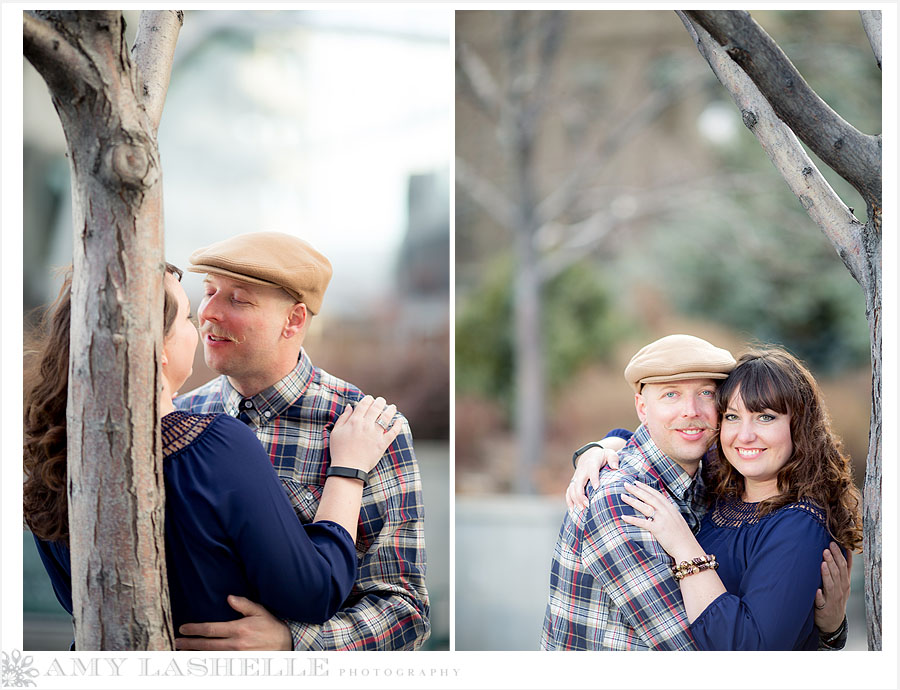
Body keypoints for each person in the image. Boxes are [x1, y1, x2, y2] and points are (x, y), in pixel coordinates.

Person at [25, 265, 402, 642]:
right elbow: (317, 591)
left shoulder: (52, 459)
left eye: (238, 299)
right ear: (156, 350)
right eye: (190, 312)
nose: (204, 316)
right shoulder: (216, 444)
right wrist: (348, 470)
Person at [173, 232, 429, 651]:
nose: (209, 314)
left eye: (238, 299)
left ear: (293, 321)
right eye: (209, 292)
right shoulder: (178, 417)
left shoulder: (370, 429)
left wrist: (292, 644)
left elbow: (405, 612)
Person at [540, 334, 853, 650]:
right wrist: (603, 447)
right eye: (671, 395)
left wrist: (829, 630)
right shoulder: (624, 501)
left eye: (705, 393)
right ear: (642, 407)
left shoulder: (713, 478)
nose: (690, 411)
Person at [619, 347, 862, 650]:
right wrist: (603, 447)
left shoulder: (800, 525)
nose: (744, 436)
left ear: (798, 426)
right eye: (732, 416)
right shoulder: (720, 483)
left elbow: (749, 650)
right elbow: (665, 438)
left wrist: (683, 546)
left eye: (765, 417)